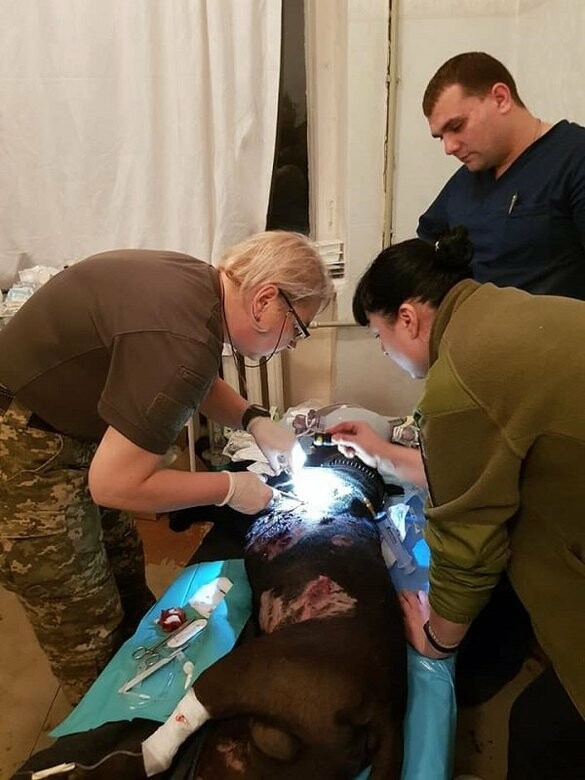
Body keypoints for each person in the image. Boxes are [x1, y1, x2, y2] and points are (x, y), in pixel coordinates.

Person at [0, 230, 334, 704]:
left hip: (70, 430)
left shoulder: (201, 287)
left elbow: (194, 377)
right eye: (297, 328)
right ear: (264, 300)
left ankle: (143, 672)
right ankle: (109, 729)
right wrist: (228, 488)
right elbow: (114, 485)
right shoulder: (183, 335)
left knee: (123, 562)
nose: (294, 344)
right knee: (84, 616)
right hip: (20, 444)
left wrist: (253, 418)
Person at [329, 228, 585, 778]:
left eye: (379, 338)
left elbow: (469, 547)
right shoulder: (500, 310)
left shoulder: (461, 381)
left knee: (541, 734)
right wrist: (381, 453)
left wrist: (436, 641)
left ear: (407, 318)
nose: (385, 353)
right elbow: (485, 468)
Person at [418, 51, 585, 299]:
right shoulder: (468, 178)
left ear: (500, 98)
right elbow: (426, 241)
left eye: (456, 126)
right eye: (441, 137)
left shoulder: (573, 157)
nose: (449, 147)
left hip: (548, 323)